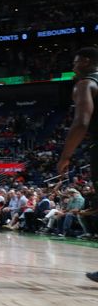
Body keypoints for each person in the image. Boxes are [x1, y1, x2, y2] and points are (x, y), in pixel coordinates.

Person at [56, 47, 98, 283]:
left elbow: (81, 122)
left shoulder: (86, 84)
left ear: (87, 61)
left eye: (75, 62)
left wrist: (65, 156)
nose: (73, 67)